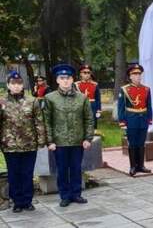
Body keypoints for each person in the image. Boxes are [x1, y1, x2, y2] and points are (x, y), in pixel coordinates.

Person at [43, 64, 94, 207]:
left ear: (72, 80)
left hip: (78, 141)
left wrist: (87, 138)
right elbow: (47, 121)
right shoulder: (50, 98)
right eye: (62, 78)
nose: (65, 81)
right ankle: (65, 195)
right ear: (57, 80)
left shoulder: (82, 98)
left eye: (68, 78)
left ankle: (76, 194)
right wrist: (50, 141)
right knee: (62, 170)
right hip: (59, 142)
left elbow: (89, 119)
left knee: (76, 168)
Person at [0, 71, 46, 213]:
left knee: (27, 173)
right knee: (14, 174)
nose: (16, 86)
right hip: (9, 145)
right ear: (8, 85)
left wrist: (41, 141)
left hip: (29, 144)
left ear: (23, 85)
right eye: (13, 83)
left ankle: (27, 201)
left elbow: (39, 122)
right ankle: (17, 202)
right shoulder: (2, 102)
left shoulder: (32, 101)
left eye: (19, 83)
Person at [117, 64, 153, 176]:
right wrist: (122, 121)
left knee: (141, 143)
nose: (137, 76)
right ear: (130, 76)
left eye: (139, 74)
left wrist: (150, 118)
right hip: (131, 119)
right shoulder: (125, 89)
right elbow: (121, 107)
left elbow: (149, 105)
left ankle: (141, 166)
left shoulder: (146, 89)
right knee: (132, 143)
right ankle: (133, 167)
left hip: (143, 119)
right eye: (134, 74)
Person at [75, 64, 102, 133]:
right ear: (80, 74)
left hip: (92, 106)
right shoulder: (76, 85)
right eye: (84, 72)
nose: (87, 74)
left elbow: (98, 98)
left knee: (92, 123)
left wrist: (98, 110)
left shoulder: (95, 84)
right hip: (80, 106)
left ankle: (93, 138)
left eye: (88, 73)